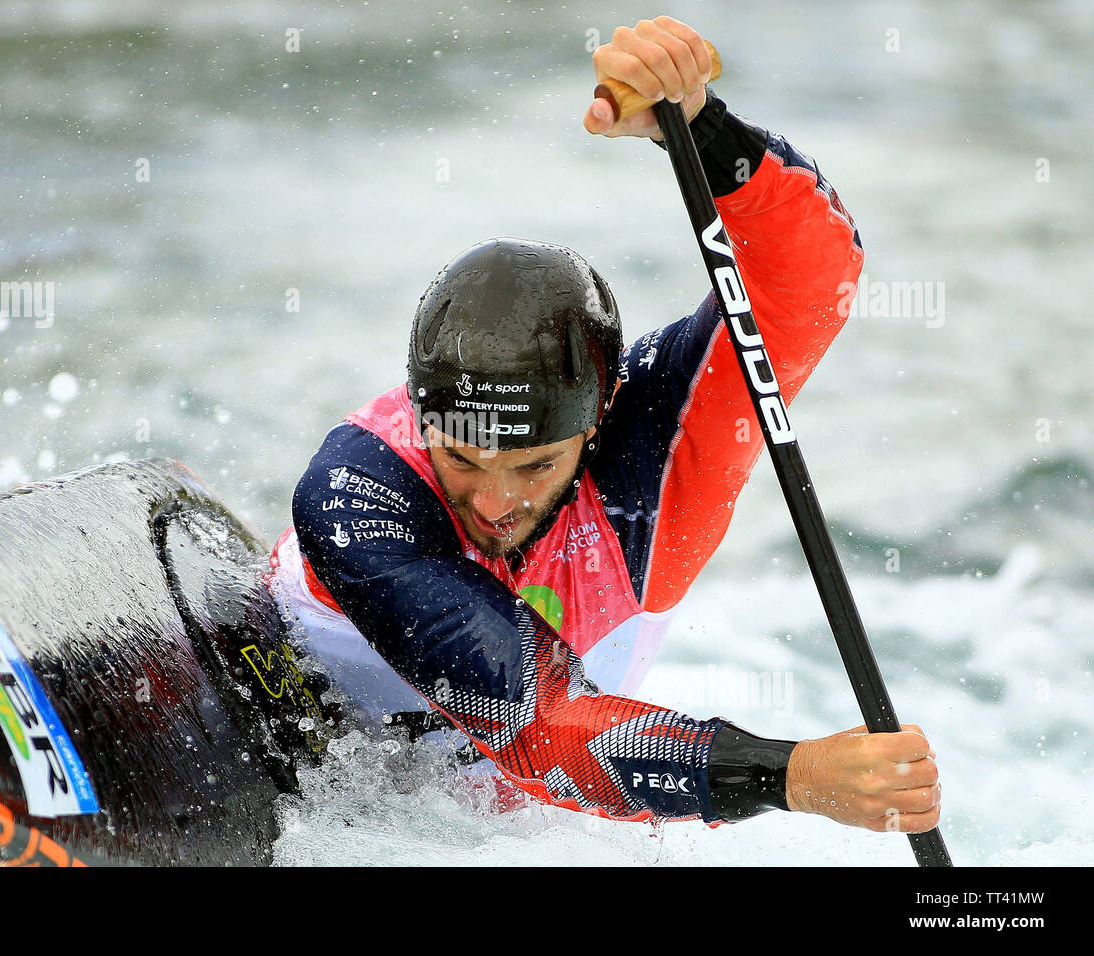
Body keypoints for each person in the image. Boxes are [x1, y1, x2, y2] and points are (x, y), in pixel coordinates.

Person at [268, 16, 941, 835]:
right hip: (306, 773)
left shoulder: (656, 452)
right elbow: (535, 724)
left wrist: (700, 129)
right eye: (463, 459)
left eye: (535, 465)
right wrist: (787, 774)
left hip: (524, 833)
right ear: (419, 417)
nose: (494, 501)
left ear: (598, 422)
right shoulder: (360, 488)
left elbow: (812, 280)